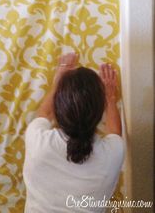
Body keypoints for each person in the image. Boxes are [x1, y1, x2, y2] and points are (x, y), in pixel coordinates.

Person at [23, 53, 125, 213]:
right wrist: (110, 97)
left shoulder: (37, 141)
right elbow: (114, 133)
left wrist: (58, 82)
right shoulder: (113, 153)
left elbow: (44, 113)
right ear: (99, 114)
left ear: (58, 109)